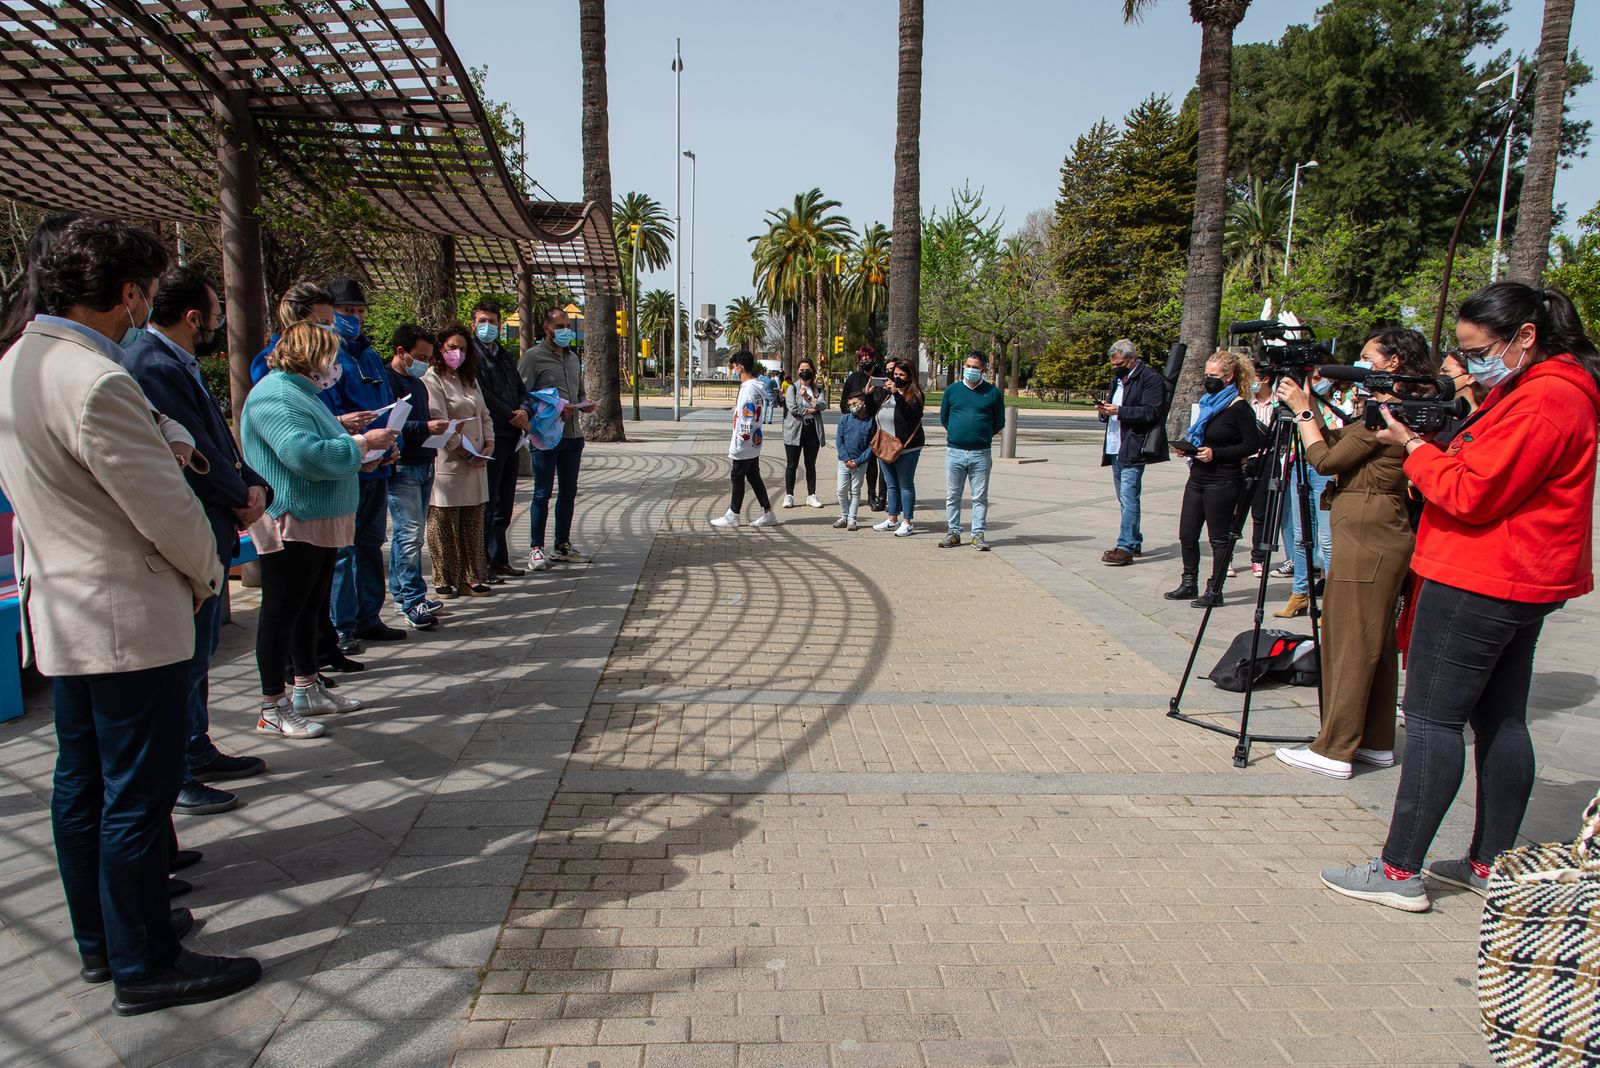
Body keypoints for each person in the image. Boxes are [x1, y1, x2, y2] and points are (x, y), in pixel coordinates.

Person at [0, 216, 259, 1014]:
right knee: (136, 796)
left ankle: (103, 940)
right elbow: (166, 510)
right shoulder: (97, 381)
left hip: (67, 611)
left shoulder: (17, 362)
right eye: (143, 291)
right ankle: (145, 961)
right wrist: (211, 572)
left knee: (80, 786)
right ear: (125, 292)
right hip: (125, 615)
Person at [1321, 282, 1600, 913]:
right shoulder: (1544, 389)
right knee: (1500, 718)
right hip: (1517, 573)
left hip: (1485, 573)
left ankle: (1400, 870)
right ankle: (1489, 862)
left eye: (1481, 350)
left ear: (1526, 336)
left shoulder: (1548, 397)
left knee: (1431, 721)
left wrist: (1414, 449)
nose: (1474, 363)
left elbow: (1474, 492)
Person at [124, 267, 272, 818]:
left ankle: (196, 746)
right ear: (193, 317)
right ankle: (181, 769)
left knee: (200, 650)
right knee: (186, 653)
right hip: (193, 521)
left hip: (215, 517)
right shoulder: (152, 365)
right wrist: (241, 495)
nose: (217, 323)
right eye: (215, 312)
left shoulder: (172, 361)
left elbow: (211, 436)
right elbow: (193, 456)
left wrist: (250, 487)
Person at [1272, 328, 1435, 780]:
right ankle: (1375, 742)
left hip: (1369, 536)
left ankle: (1335, 748)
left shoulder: (1392, 413)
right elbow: (1340, 443)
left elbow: (1325, 461)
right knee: (1375, 643)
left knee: (1349, 643)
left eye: (1368, 358)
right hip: (1378, 531)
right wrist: (1313, 406)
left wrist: (1303, 411)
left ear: (1394, 362)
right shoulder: (1396, 408)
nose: (1361, 366)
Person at [243, 320, 385, 739]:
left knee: (310, 608)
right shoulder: (278, 395)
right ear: (309, 355)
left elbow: (326, 449)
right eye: (330, 356)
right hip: (293, 519)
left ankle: (306, 686)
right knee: (281, 611)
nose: (336, 366)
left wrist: (360, 457)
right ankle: (272, 703)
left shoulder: (304, 394)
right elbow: (305, 455)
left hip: (320, 518)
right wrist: (360, 446)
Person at [321, 278, 403, 652]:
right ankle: (342, 625)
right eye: (346, 311)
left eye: (359, 310)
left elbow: (388, 402)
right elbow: (324, 411)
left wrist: (389, 444)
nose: (354, 318)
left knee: (371, 544)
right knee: (343, 549)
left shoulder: (369, 356)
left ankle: (369, 617)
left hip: (378, 464)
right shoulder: (326, 357)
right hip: (348, 462)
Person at [1164, 350, 1261, 608]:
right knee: (1187, 533)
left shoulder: (1239, 407)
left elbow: (1253, 443)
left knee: (1218, 537)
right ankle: (1188, 582)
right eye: (1206, 375)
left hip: (1224, 478)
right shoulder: (1208, 402)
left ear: (1228, 377)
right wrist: (1190, 449)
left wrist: (1217, 453)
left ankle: (1214, 589)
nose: (1208, 380)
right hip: (1198, 476)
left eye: (1214, 375)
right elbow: (1203, 437)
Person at [385, 324, 449, 629]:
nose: (424, 362)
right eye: (419, 356)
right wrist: (426, 428)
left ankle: (402, 592)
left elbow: (420, 421)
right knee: (409, 534)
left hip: (425, 461)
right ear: (401, 352)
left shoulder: (418, 383)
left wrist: (438, 428)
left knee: (413, 532)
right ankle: (411, 599)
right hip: (403, 466)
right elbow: (392, 427)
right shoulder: (389, 381)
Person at [519, 307, 589, 571]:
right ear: (546, 329)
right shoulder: (532, 358)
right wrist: (555, 408)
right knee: (542, 492)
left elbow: (579, 390)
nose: (565, 331)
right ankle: (536, 548)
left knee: (568, 493)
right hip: (545, 437)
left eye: (567, 325)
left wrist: (583, 404)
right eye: (559, 326)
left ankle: (562, 545)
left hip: (573, 434)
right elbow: (523, 395)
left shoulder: (572, 358)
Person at [426, 325, 495, 596]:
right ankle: (445, 578)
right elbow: (439, 419)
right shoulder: (434, 378)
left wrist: (488, 443)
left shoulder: (470, 379)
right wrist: (463, 450)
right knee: (444, 521)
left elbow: (484, 414)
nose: (457, 353)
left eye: (463, 348)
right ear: (440, 348)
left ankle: (472, 575)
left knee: (473, 520)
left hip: (477, 461)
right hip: (450, 461)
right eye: (452, 348)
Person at [472, 300, 532, 580]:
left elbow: (521, 389)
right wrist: (511, 414)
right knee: (489, 499)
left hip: (512, 436)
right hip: (492, 435)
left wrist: (524, 410)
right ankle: (480, 561)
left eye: (493, 322)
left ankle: (498, 558)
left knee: (505, 502)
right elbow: (482, 394)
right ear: (474, 323)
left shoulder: (504, 355)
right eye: (483, 321)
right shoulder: (471, 356)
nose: (488, 327)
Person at [1095, 339, 1166, 566]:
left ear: (1132, 358)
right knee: (1124, 498)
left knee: (1129, 496)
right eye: (1113, 364)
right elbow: (1113, 408)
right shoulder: (1117, 380)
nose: (1116, 367)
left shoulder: (1150, 378)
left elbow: (1152, 412)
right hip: (1115, 445)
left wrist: (1121, 411)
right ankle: (1134, 540)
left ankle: (1125, 546)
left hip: (1133, 445)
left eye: (1120, 363)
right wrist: (1105, 411)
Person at [939, 351, 1007, 551]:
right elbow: (945, 418)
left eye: (975, 367)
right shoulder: (952, 391)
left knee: (979, 497)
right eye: (968, 366)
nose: (970, 370)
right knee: (953, 495)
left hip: (981, 454)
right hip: (955, 452)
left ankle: (978, 534)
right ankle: (954, 532)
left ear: (983, 369)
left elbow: (999, 422)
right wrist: (957, 432)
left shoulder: (993, 393)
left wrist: (981, 435)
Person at [712, 350, 778, 528]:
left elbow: (746, 416)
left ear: (740, 367)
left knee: (737, 476)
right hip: (753, 442)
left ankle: (734, 513)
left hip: (745, 443)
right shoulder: (756, 388)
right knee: (753, 476)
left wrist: (741, 438)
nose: (734, 371)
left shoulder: (748, 390)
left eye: (734, 367)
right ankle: (767, 511)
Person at [870, 358, 927, 537]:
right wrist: (869, 394)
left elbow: (911, 415)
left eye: (902, 375)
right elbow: (874, 411)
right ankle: (892, 518)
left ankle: (907, 522)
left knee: (905, 484)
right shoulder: (887, 393)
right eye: (895, 374)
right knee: (891, 484)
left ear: (910, 376)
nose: (897, 378)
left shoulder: (915, 395)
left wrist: (897, 394)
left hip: (906, 448)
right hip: (885, 446)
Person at [249, 281, 333, 384]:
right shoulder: (267, 361)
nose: (329, 329)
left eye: (331, 323)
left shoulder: (322, 359)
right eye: (323, 322)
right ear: (296, 322)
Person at [840, 345, 884, 509]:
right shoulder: (854, 379)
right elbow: (844, 404)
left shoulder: (881, 377)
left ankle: (873, 495)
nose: (865, 362)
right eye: (862, 360)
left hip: (876, 425)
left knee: (872, 462)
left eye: (868, 359)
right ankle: (854, 493)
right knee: (853, 459)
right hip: (856, 426)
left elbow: (883, 402)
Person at [782, 358, 828, 508]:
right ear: (797, 371)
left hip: (812, 430)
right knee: (792, 464)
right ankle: (789, 495)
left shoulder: (818, 389)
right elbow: (792, 408)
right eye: (801, 370)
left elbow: (822, 405)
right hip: (794, 430)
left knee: (810, 465)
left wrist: (808, 397)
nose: (804, 372)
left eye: (807, 369)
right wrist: (809, 410)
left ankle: (811, 495)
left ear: (812, 371)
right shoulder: (792, 388)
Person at [833, 390, 874, 530]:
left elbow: (872, 446)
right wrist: (846, 458)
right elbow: (839, 440)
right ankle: (843, 516)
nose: (852, 407)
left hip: (860, 463)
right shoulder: (845, 419)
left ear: (863, 403)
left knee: (855, 491)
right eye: (850, 404)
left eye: (855, 403)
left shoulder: (871, 422)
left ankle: (852, 519)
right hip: (844, 462)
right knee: (841, 490)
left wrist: (858, 461)